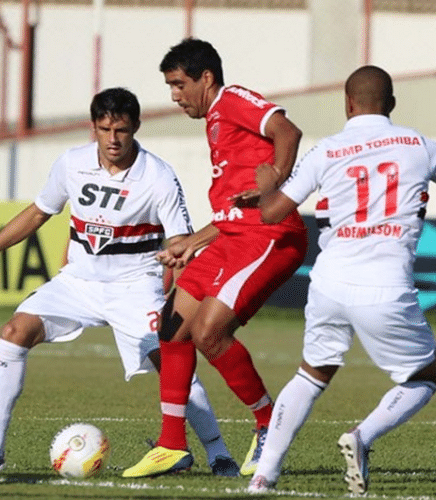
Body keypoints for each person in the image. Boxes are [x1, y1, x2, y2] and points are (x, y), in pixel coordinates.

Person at [0, 87, 241, 477]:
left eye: (121, 129)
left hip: (136, 285)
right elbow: (38, 213)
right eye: (104, 129)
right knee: (14, 331)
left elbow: (179, 242)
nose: (113, 139)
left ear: (136, 127)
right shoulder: (71, 163)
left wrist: (180, 290)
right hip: (78, 282)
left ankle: (218, 452)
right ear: (94, 128)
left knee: (171, 361)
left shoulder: (158, 176)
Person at [246, 65, 436, 494]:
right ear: (391, 104)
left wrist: (267, 183)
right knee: (423, 376)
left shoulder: (327, 150)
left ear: (347, 103)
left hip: (330, 283)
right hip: (385, 285)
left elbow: (272, 213)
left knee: (311, 374)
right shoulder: (418, 144)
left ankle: (264, 475)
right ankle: (362, 437)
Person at [124, 38, 307, 478]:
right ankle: (171, 445)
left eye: (179, 83)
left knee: (209, 332)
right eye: (170, 85)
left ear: (206, 78)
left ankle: (268, 426)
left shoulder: (233, 99)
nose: (174, 94)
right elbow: (232, 211)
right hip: (231, 236)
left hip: (270, 235)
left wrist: (277, 179)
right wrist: (194, 242)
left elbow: (288, 131)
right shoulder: (215, 121)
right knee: (171, 326)